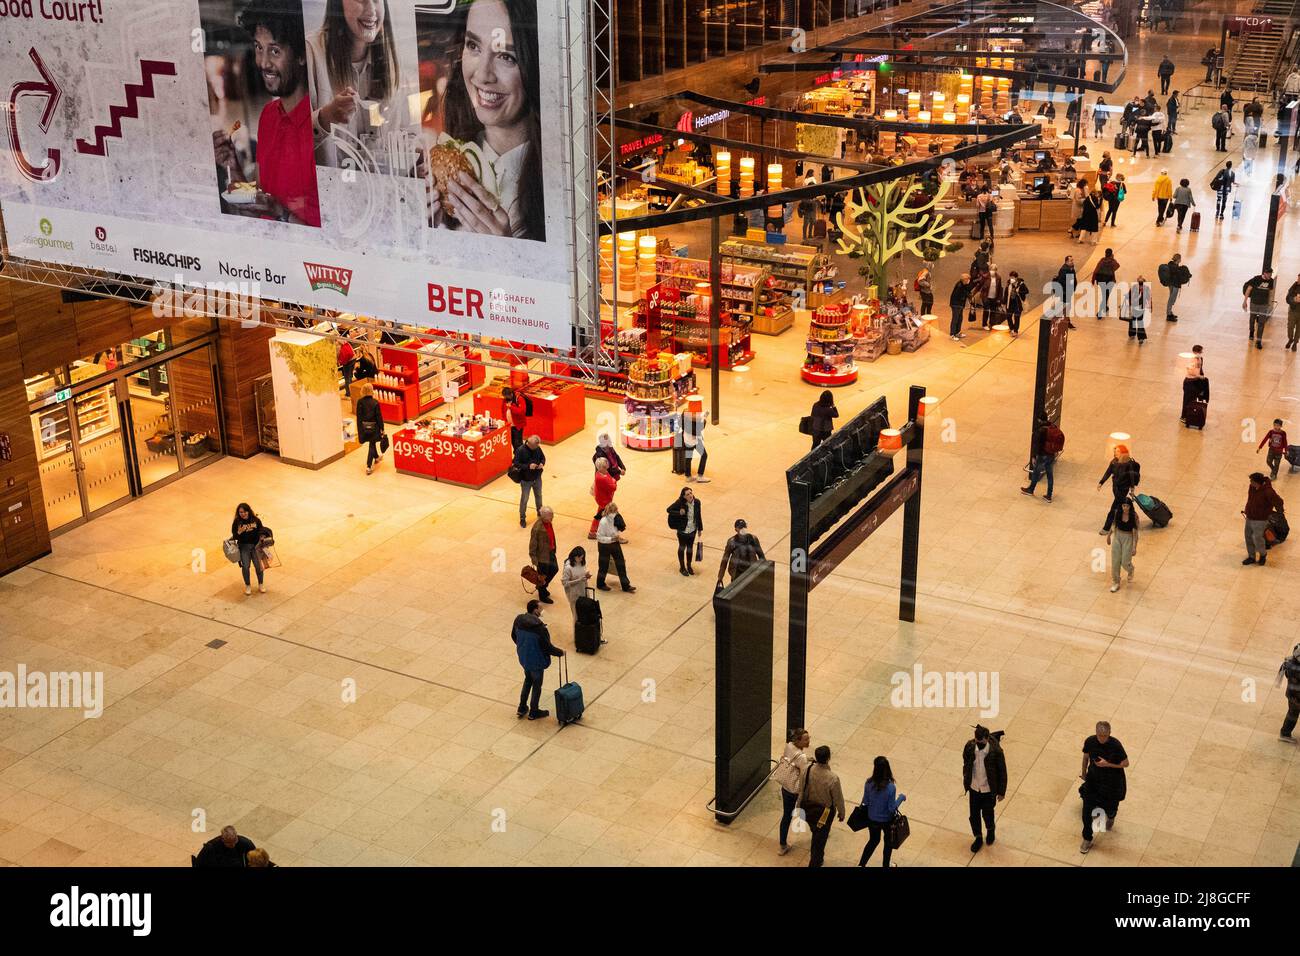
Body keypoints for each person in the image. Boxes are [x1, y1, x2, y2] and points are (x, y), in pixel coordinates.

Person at [430, 0, 546, 240]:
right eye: (473, 45)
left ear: (534, 64)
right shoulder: (439, 167)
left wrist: (507, 257)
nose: (482, 75)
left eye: (507, 56)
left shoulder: (557, 183)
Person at [211, 0, 322, 227]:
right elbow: (259, 200)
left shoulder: (320, 123)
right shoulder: (269, 116)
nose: (262, 62)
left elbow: (330, 233)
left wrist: (280, 212)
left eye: (274, 50)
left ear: (301, 55)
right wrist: (233, 166)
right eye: (258, 48)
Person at [306, 0, 410, 170]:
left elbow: (409, 133)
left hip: (382, 191)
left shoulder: (394, 62)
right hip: (332, 192)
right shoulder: (311, 52)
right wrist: (325, 117)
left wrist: (417, 160)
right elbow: (292, 142)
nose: (371, 10)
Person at [1079, 721, 1129, 853]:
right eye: (1099, 735)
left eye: (1104, 735)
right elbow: (1085, 757)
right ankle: (1087, 838)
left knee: (1110, 808)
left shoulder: (1116, 745)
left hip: (1112, 783)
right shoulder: (1090, 741)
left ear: (1109, 734)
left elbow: (1125, 763)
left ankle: (1111, 815)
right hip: (1093, 781)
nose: (1102, 738)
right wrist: (1084, 773)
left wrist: (1108, 764)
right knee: (1086, 811)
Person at [511, 598, 564, 719]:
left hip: (524, 657)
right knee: (536, 685)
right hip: (536, 661)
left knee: (528, 680)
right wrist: (560, 652)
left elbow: (514, 636)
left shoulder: (519, 620)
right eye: (540, 608)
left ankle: (522, 707)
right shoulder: (540, 628)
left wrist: (523, 647)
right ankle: (534, 711)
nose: (542, 610)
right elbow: (547, 647)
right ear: (535, 611)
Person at [794, 745, 844, 867]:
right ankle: (815, 862)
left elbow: (801, 789)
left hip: (808, 808)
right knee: (819, 839)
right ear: (828, 758)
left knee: (816, 833)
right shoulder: (832, 778)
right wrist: (841, 812)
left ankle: (818, 858)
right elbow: (838, 798)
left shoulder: (807, 769)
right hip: (824, 813)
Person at [962, 725, 1007, 853]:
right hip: (974, 788)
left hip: (988, 790)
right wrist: (966, 777)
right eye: (976, 741)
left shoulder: (996, 752)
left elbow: (1002, 772)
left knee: (988, 814)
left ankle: (990, 830)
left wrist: (1001, 791)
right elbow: (965, 761)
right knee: (974, 815)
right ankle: (978, 837)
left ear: (987, 739)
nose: (978, 745)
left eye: (981, 742)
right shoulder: (970, 747)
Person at [857, 755, 906, 867]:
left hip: (872, 819)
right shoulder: (890, 787)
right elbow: (891, 808)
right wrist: (901, 798)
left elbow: (865, 801)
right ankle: (885, 865)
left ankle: (861, 864)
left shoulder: (868, 783)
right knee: (888, 844)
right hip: (886, 821)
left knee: (873, 841)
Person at [776, 728, 811, 855]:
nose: (808, 741)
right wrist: (802, 795)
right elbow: (803, 776)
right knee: (807, 812)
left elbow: (790, 759)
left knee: (786, 816)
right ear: (798, 740)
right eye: (805, 739)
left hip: (786, 786)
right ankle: (820, 833)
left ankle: (782, 845)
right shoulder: (801, 757)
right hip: (795, 790)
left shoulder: (789, 746)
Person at [1242, 472, 1285, 566]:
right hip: (1250, 516)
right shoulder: (1252, 487)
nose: (1250, 482)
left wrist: (1279, 513)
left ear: (1258, 482)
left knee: (1257, 538)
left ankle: (1263, 555)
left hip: (1260, 519)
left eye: (1252, 481)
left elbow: (1279, 501)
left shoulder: (1268, 491)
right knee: (1248, 537)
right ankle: (1251, 557)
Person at [1097, 445, 1140, 533]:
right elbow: (1108, 472)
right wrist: (1101, 482)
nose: (1115, 453)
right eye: (1115, 451)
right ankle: (1129, 518)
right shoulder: (1114, 462)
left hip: (1123, 489)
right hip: (1115, 488)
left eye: (1117, 451)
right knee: (1121, 505)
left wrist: (1132, 488)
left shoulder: (1128, 463)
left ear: (1123, 453)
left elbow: (1131, 476)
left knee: (1114, 507)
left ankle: (1106, 528)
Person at [594, 503, 634, 593]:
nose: (616, 513)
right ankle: (600, 584)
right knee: (603, 566)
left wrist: (616, 536)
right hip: (604, 545)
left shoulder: (616, 518)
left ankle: (625, 585)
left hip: (615, 543)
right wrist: (611, 538)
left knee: (621, 564)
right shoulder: (603, 522)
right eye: (614, 511)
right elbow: (599, 537)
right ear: (610, 512)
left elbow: (617, 529)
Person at [1021, 416, 1062, 502]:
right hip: (1051, 454)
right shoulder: (1052, 426)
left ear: (1039, 420)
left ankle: (1031, 489)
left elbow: (1038, 445)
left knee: (1036, 472)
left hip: (1043, 455)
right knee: (1050, 475)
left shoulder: (1041, 430)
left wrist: (1034, 456)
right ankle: (1049, 495)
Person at [231, 503, 268, 596]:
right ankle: (248, 585)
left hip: (255, 547)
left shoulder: (255, 520)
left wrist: (262, 536)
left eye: (244, 512)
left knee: (258, 566)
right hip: (244, 547)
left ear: (248, 511)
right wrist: (239, 532)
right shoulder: (237, 522)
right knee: (245, 566)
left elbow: (261, 530)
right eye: (240, 512)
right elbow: (234, 536)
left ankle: (261, 584)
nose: (242, 514)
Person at [717, 519, 766, 587]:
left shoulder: (753, 539)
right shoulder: (731, 542)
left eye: (744, 527)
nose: (743, 529)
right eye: (740, 527)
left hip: (751, 572)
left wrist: (764, 574)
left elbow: (762, 557)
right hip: (737, 573)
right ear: (736, 529)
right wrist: (720, 577)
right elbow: (725, 560)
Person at [666, 486, 703, 576]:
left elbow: (698, 515)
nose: (690, 495)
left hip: (693, 530)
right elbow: (668, 510)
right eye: (687, 494)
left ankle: (689, 566)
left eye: (691, 493)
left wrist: (700, 528)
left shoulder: (697, 502)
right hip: (683, 530)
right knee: (682, 547)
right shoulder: (680, 503)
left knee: (690, 548)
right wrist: (679, 512)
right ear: (684, 496)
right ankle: (682, 567)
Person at [1106, 498, 1139, 592]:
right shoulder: (1118, 513)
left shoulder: (1134, 516)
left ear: (1130, 507)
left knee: (1125, 561)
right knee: (1115, 561)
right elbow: (1114, 525)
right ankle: (1116, 582)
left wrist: (1134, 547)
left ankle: (1130, 569)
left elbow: (1135, 533)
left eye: (1127, 506)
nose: (1125, 508)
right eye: (1124, 506)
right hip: (1117, 536)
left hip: (1128, 538)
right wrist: (1108, 536)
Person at [527, 506, 558, 604]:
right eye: (550, 515)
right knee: (542, 576)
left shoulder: (549, 523)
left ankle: (542, 586)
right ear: (543, 516)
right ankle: (542, 594)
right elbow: (532, 545)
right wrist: (534, 560)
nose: (552, 517)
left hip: (550, 552)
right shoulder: (537, 528)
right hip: (542, 557)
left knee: (554, 569)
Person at [514, 434, 545, 527]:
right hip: (526, 480)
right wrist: (528, 466)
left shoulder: (537, 448)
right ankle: (522, 517)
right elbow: (516, 463)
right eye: (535, 446)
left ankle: (540, 513)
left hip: (537, 477)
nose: (537, 448)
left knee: (539, 496)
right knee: (524, 499)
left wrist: (542, 463)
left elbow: (543, 458)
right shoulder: (520, 450)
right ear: (530, 445)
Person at [355, 382, 386, 474]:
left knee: (371, 443)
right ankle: (369, 466)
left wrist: (359, 429)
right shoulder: (375, 402)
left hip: (364, 427)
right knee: (372, 444)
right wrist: (382, 428)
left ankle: (376, 457)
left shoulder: (360, 402)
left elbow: (359, 417)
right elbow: (379, 417)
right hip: (374, 427)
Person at [1243, 268, 1276, 350]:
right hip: (1254, 303)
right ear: (1264, 273)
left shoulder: (1271, 281)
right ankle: (1251, 331)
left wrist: (1269, 303)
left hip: (1264, 305)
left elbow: (1271, 291)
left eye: (1271, 274)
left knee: (1261, 323)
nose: (1270, 276)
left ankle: (1258, 341)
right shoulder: (1256, 279)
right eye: (1269, 274)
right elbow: (1248, 289)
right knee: (1252, 319)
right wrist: (1245, 301)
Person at [560, 545, 590, 626]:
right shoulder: (568, 568)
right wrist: (579, 580)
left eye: (582, 557)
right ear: (574, 557)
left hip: (584, 590)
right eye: (579, 558)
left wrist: (586, 576)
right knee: (576, 616)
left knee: (585, 613)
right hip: (574, 594)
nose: (581, 559)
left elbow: (582, 574)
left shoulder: (582, 563)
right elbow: (564, 583)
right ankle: (577, 634)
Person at [588, 455, 618, 538]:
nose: (607, 468)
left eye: (606, 466)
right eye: (604, 467)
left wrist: (612, 481)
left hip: (604, 499)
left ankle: (592, 532)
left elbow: (611, 481)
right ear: (599, 467)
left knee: (599, 515)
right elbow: (613, 487)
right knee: (612, 517)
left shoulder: (601, 473)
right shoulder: (601, 478)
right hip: (604, 500)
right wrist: (614, 482)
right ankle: (613, 535)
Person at [1181, 352, 1209, 427]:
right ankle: (1184, 417)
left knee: (1192, 401)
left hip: (1194, 383)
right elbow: (1190, 371)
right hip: (1190, 383)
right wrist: (1199, 376)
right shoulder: (1192, 361)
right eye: (1200, 352)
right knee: (1187, 401)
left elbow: (1199, 370)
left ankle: (1189, 416)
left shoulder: (1199, 359)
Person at [682, 406, 710, 483]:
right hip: (694, 441)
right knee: (704, 455)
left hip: (687, 440)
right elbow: (698, 430)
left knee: (688, 458)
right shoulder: (694, 421)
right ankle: (700, 476)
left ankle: (688, 476)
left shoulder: (684, 415)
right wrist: (704, 418)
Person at [1278, 644, 1300, 741]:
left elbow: (1284, 675)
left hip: (1291, 694)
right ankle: (1285, 734)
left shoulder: (1288, 663)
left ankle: (1285, 733)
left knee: (1292, 714)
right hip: (1297, 696)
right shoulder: (1296, 669)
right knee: (1292, 714)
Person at [1160, 253, 1190, 320]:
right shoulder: (1175, 268)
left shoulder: (1170, 265)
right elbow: (1178, 276)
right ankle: (1168, 314)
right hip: (1175, 285)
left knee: (1171, 299)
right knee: (1171, 300)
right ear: (1178, 259)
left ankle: (1170, 312)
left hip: (1171, 284)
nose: (1180, 260)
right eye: (1180, 259)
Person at [1092, 248, 1120, 318]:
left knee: (1105, 296)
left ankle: (1105, 307)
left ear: (1105, 253)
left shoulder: (1102, 260)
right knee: (1105, 296)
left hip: (1101, 281)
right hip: (1110, 281)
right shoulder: (1112, 262)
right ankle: (1100, 313)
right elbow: (1117, 266)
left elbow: (1095, 271)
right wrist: (1113, 259)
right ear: (1111, 254)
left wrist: (1093, 280)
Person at [1052, 255, 1077, 330]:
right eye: (1071, 260)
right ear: (1066, 261)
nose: (1072, 261)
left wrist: (1073, 287)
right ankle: (1065, 322)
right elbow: (1062, 282)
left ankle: (1065, 321)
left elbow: (1073, 279)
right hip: (1064, 292)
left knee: (1066, 307)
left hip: (1068, 291)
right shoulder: (1064, 269)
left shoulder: (1071, 268)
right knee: (1065, 307)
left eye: (1073, 260)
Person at [1126, 275, 1151, 345]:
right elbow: (1149, 298)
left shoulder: (1134, 287)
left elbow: (1129, 296)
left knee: (1133, 320)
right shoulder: (1145, 288)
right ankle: (1140, 337)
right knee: (1138, 321)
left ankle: (1132, 334)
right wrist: (1150, 306)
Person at [502, 386, 528, 450]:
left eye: (507, 396)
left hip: (518, 426)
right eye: (504, 397)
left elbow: (522, 411)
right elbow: (503, 410)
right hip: (509, 425)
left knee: (518, 443)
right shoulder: (505, 400)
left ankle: (520, 457)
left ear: (511, 394)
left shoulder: (519, 398)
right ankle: (517, 454)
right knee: (513, 442)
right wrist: (504, 420)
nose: (505, 398)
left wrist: (511, 407)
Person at [1003, 270, 1027, 335]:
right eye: (1010, 277)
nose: (1011, 279)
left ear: (1016, 278)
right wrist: (1004, 302)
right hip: (1010, 303)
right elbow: (1006, 293)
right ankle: (1011, 328)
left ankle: (1015, 331)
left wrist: (1019, 291)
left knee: (1016, 317)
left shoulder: (1021, 284)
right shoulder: (1008, 284)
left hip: (1017, 304)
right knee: (1008, 316)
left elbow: (1027, 291)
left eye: (1013, 277)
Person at [979, 264, 1004, 330]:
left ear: (996, 270)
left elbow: (999, 289)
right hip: (986, 296)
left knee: (993, 311)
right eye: (991, 270)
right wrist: (973, 293)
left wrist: (999, 298)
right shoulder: (985, 277)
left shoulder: (998, 277)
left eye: (994, 270)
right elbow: (979, 285)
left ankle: (991, 323)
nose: (992, 271)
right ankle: (984, 324)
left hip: (994, 297)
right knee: (986, 310)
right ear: (989, 270)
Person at [948, 273, 972, 340]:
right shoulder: (959, 286)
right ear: (965, 280)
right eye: (968, 279)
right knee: (955, 319)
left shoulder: (963, 284)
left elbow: (967, 291)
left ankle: (957, 332)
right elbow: (959, 296)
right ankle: (952, 334)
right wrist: (967, 295)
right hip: (956, 305)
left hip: (960, 304)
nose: (969, 281)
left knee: (960, 318)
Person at [1286, 273, 1300, 351]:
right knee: (1290, 327)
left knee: (1299, 329)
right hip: (1293, 311)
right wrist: (1294, 300)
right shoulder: (1294, 286)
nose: (1298, 280)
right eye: (1298, 278)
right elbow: (1287, 298)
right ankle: (1290, 339)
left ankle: (1295, 343)